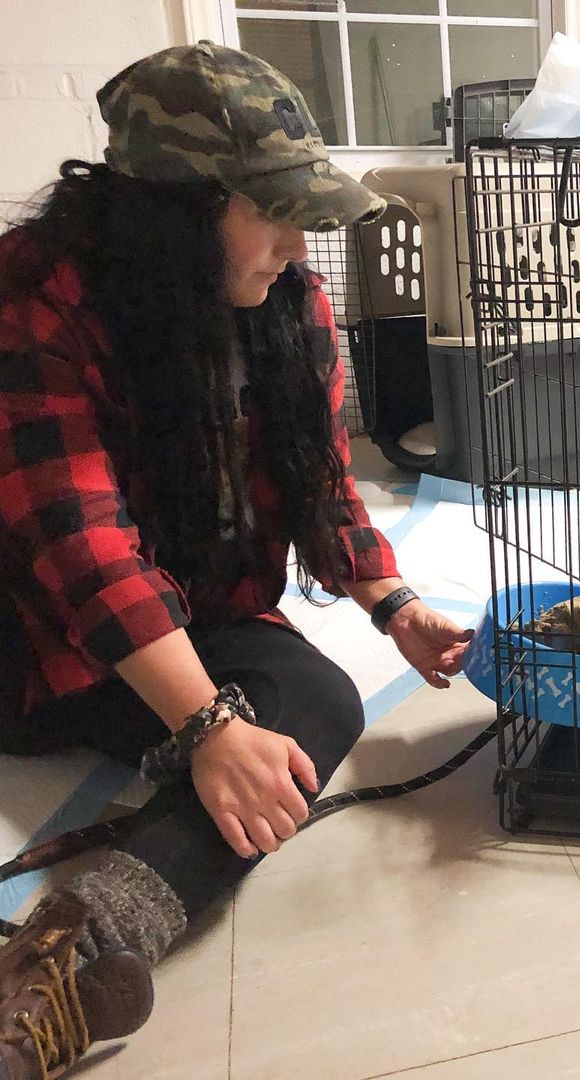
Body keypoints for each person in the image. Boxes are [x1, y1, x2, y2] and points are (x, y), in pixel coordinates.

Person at [0, 41, 472, 1079]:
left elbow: (318, 479)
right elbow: (78, 540)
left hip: (190, 601)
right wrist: (207, 720)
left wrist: (392, 601)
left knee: (313, 703)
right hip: (32, 621)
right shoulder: (37, 297)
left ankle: (66, 951)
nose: (297, 241)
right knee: (236, 728)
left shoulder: (285, 300)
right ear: (174, 212)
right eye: (272, 209)